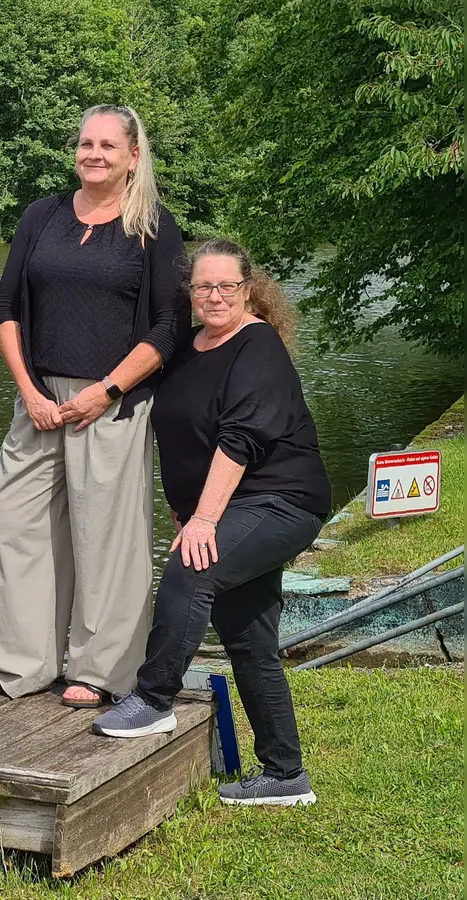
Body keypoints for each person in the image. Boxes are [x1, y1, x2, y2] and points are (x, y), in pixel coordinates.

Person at [93, 240, 330, 808]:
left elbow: (239, 438)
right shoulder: (189, 349)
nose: (215, 295)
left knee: (190, 572)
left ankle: (153, 700)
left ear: (249, 290)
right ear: (191, 294)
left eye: (227, 285)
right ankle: (284, 774)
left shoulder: (258, 345)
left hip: (279, 502)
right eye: (204, 286)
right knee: (249, 639)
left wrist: (202, 518)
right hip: (232, 506)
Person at [0, 104, 187, 708]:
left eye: (108, 146)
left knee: (105, 537)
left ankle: (101, 670)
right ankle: (18, 663)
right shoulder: (43, 216)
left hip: (110, 402)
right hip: (38, 400)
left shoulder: (153, 227)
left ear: (133, 156)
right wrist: (29, 392)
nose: (94, 154)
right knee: (12, 522)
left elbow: (169, 328)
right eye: (86, 143)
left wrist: (107, 390)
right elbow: (5, 308)